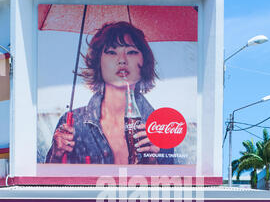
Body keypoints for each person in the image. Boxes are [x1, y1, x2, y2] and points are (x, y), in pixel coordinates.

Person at [46, 21, 174, 165]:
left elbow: (170, 184)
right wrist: (56, 155)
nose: (122, 60)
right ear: (98, 62)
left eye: (131, 52)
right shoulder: (73, 124)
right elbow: (49, 182)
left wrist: (152, 161)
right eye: (112, 52)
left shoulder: (161, 127)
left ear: (144, 61)